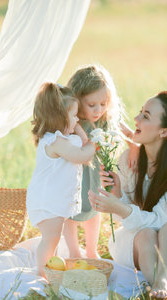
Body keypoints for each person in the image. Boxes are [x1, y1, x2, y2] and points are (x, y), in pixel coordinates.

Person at [89, 91, 167, 299]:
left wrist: (120, 207)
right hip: (141, 242)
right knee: (145, 235)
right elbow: (123, 220)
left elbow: (162, 222)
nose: (136, 119)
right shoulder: (129, 160)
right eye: (140, 112)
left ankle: (161, 281)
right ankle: (161, 284)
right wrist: (117, 197)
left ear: (164, 132)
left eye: (146, 116)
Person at [63, 64, 139, 259]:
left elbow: (123, 129)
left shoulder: (105, 117)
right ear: (78, 100)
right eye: (91, 105)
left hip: (95, 173)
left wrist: (133, 146)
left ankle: (91, 250)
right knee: (69, 211)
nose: (98, 110)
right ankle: (73, 251)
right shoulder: (72, 120)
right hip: (73, 172)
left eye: (103, 104)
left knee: (95, 208)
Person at [26, 82, 95, 277]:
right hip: (47, 203)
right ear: (59, 118)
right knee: (50, 239)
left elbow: (79, 144)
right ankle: (41, 272)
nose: (77, 120)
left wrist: (79, 130)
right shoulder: (56, 142)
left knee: (53, 239)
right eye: (74, 116)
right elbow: (83, 155)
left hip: (52, 201)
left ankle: (51, 267)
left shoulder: (60, 139)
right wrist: (93, 144)